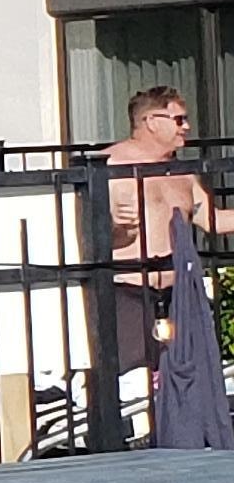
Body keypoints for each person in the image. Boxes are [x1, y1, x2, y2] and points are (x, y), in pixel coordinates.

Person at [102, 84, 216, 391]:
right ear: (152, 122)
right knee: (133, 383)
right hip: (128, 291)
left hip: (178, 292)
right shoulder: (108, 166)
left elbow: (211, 219)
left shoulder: (180, 170)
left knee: (186, 378)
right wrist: (119, 227)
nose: (187, 127)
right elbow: (90, 239)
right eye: (179, 119)